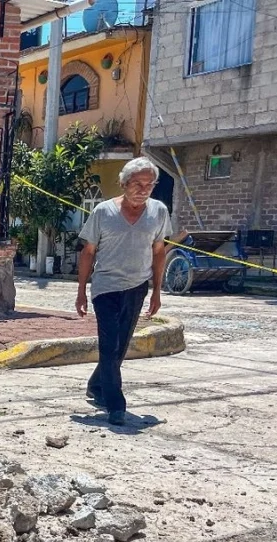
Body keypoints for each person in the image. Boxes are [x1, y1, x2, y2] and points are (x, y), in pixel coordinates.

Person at [76, 157, 172, 426]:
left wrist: (156, 291)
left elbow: (158, 252)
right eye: (137, 183)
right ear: (124, 183)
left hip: (137, 286)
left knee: (121, 346)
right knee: (110, 344)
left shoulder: (159, 212)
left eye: (149, 184)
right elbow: (88, 252)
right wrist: (81, 291)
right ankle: (116, 405)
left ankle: (97, 386)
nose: (143, 189)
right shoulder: (103, 212)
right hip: (105, 287)